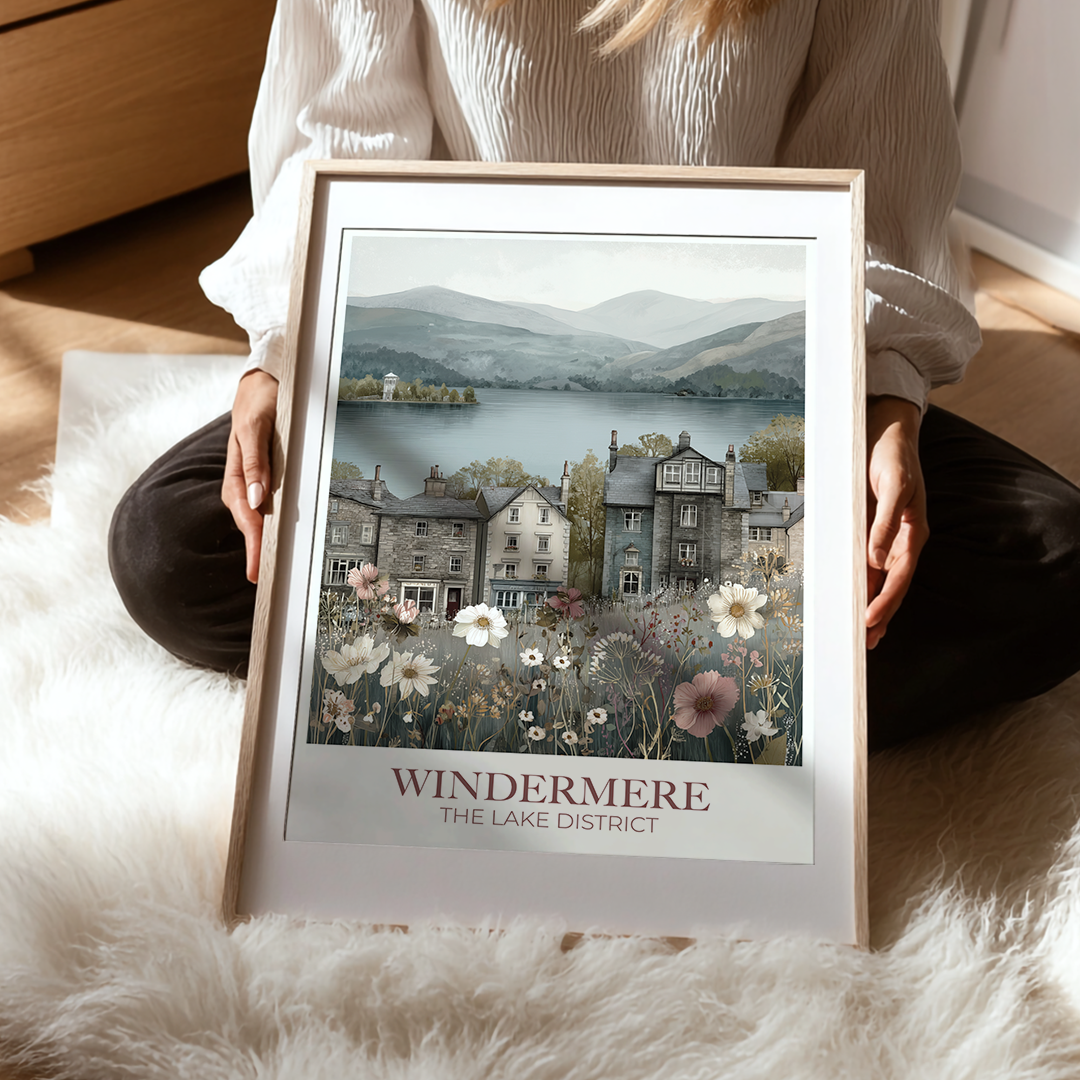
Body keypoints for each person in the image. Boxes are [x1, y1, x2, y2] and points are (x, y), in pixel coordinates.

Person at [109, 0, 1080, 748]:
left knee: (1056, 560)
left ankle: (545, 712)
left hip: (778, 362)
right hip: (437, 343)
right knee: (175, 547)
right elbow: (338, 142)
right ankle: (698, 706)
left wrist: (879, 403)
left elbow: (876, 169)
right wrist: (283, 355)